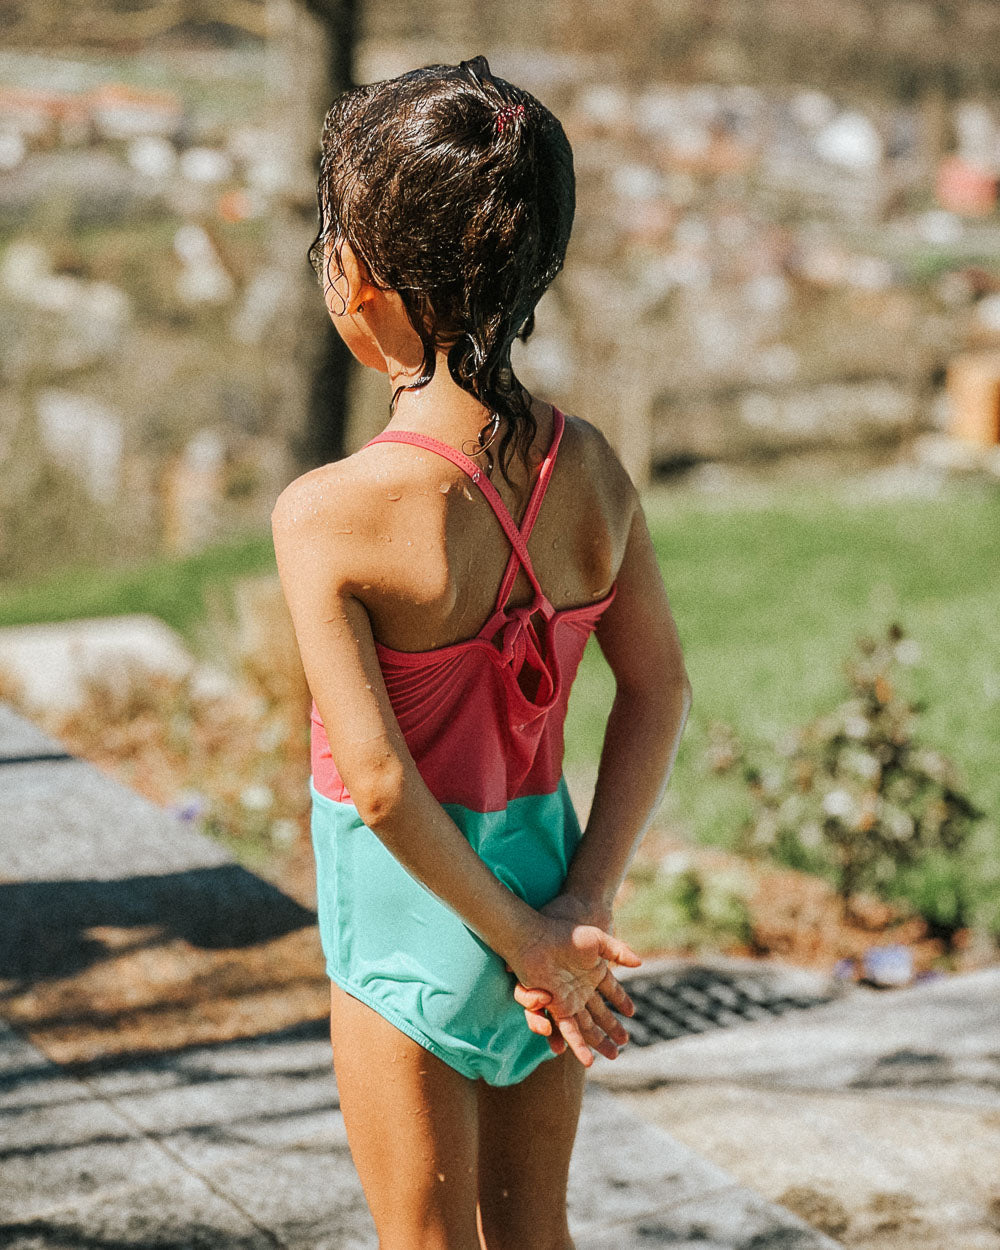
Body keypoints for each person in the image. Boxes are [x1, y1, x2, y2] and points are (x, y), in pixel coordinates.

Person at [272, 55, 693, 1250]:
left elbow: (387, 786)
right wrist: (572, 916)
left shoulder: (330, 513)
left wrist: (520, 939)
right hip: (550, 903)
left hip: (410, 934)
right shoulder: (591, 470)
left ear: (360, 278)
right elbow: (657, 688)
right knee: (533, 1229)